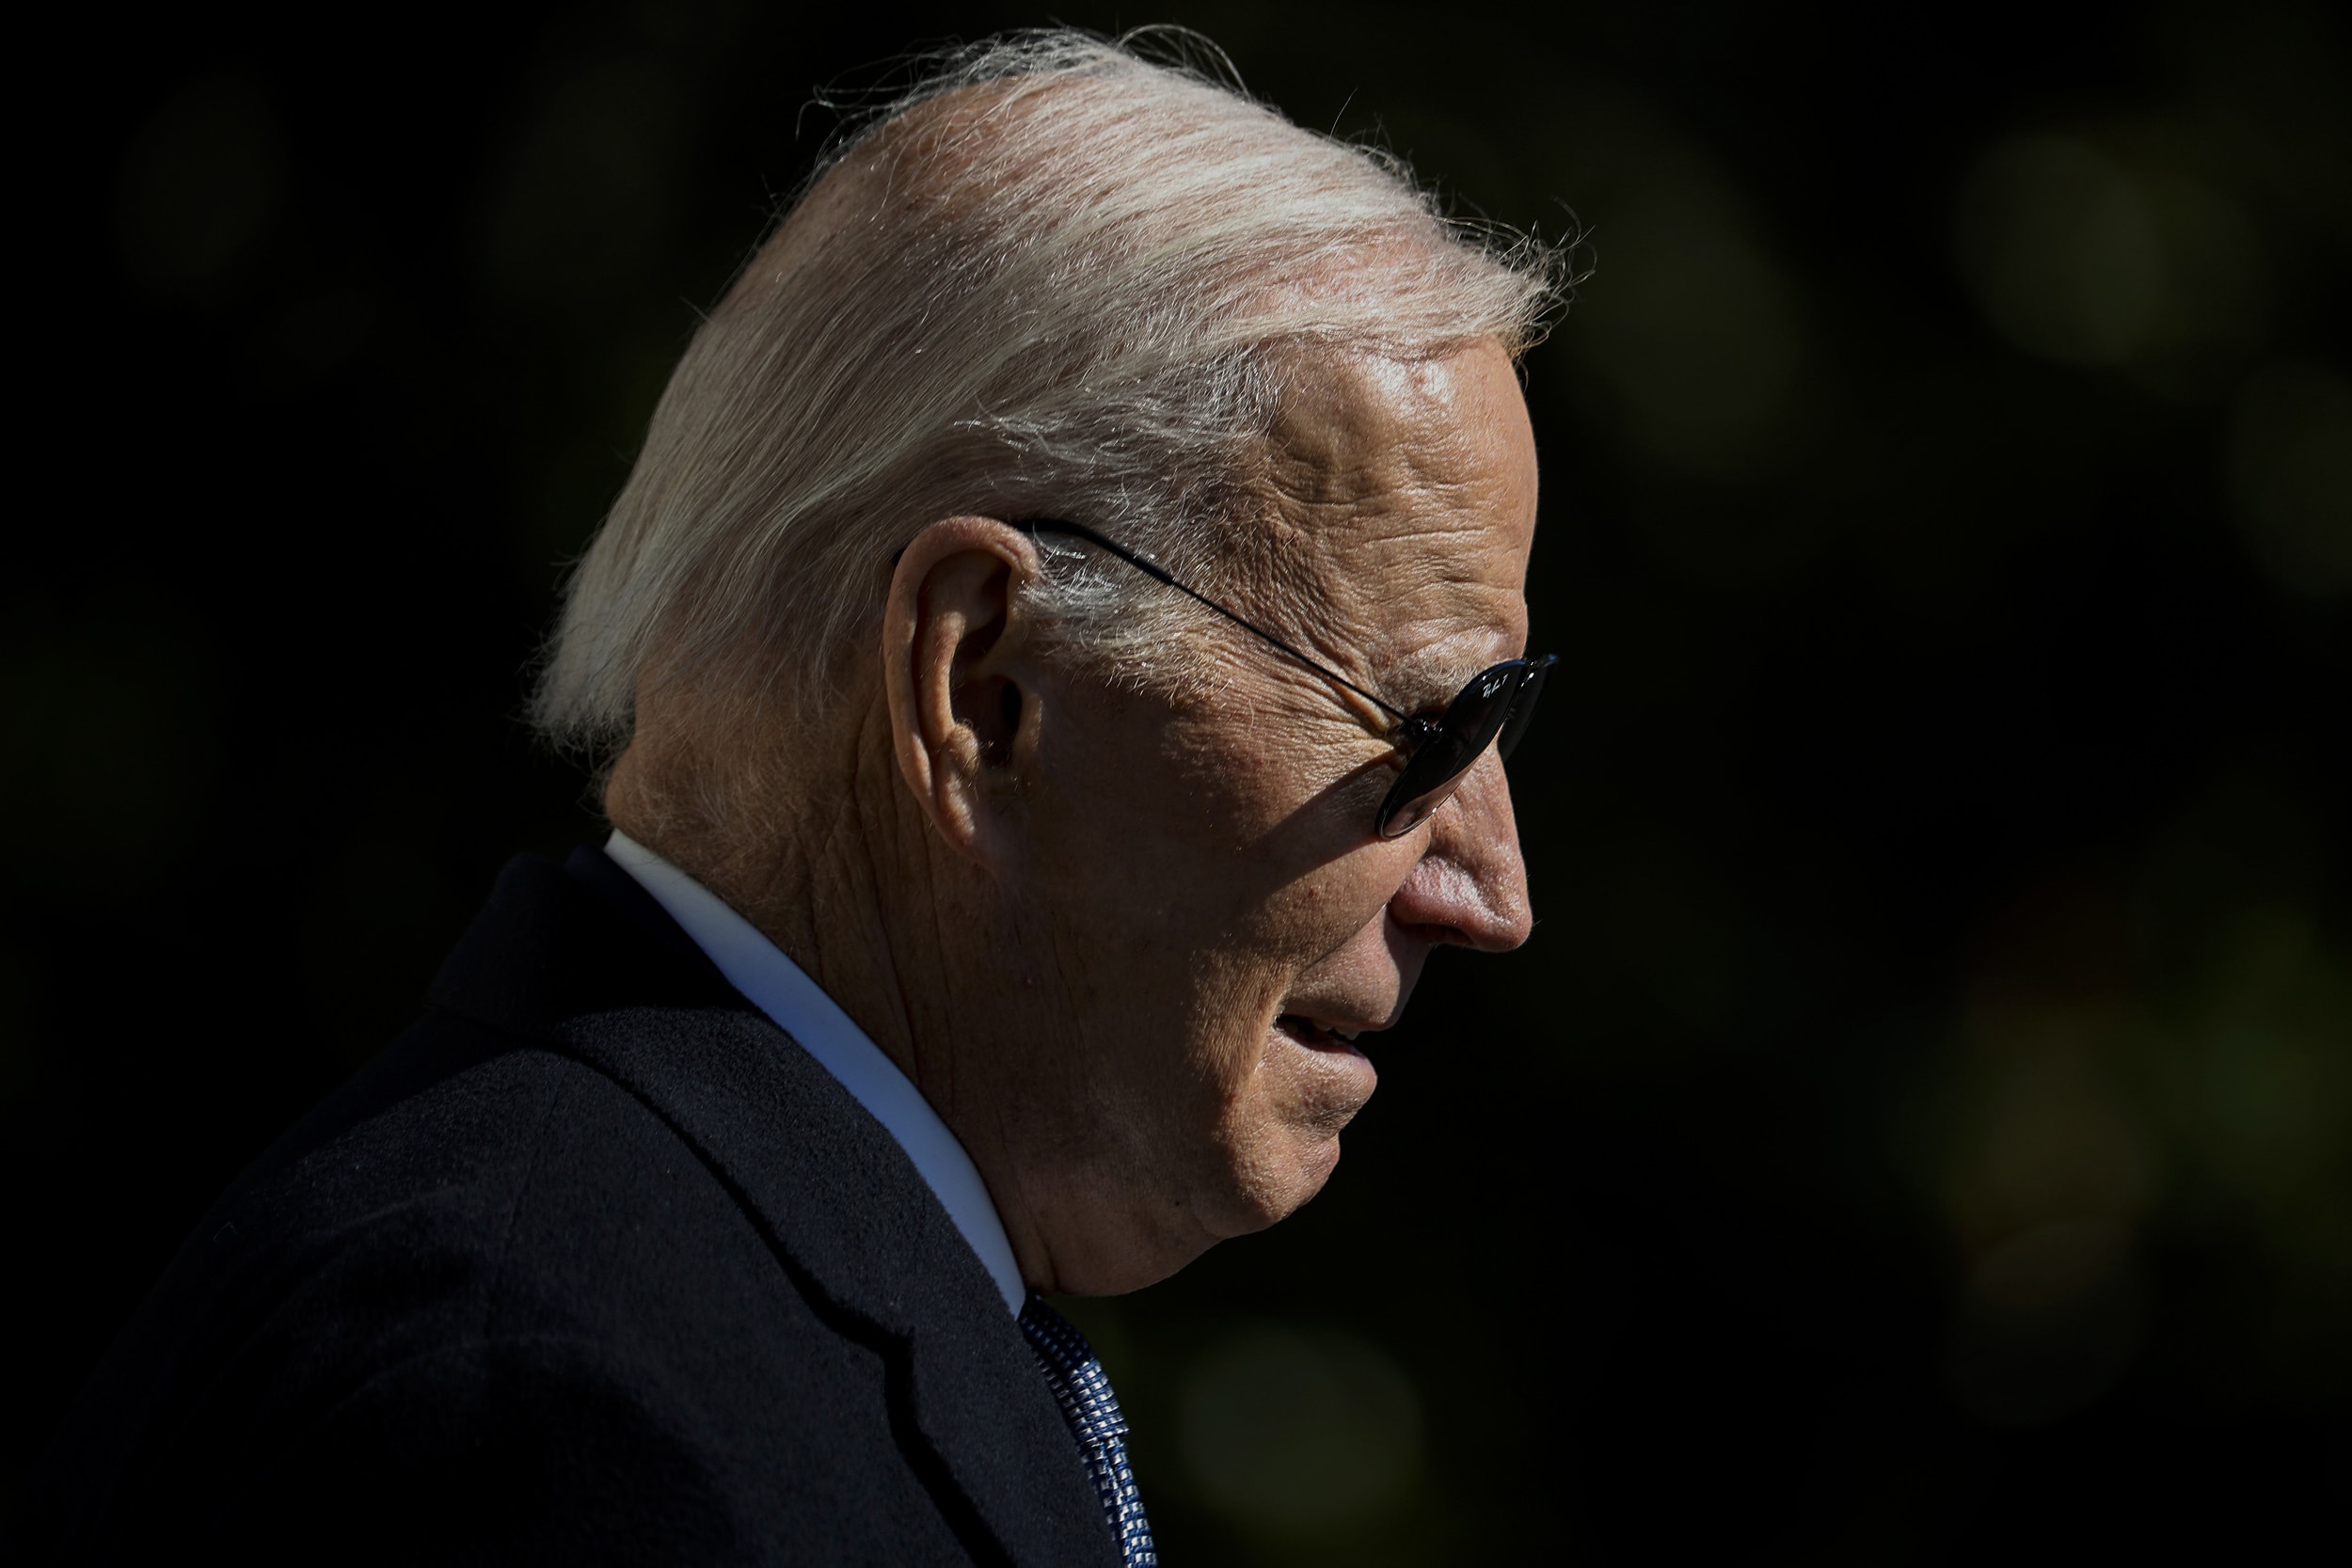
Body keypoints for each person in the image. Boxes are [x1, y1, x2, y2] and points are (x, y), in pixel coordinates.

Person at [21, 29, 1561, 1566]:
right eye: (1427, 725)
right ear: (981, 692)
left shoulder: (675, 1307)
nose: (1492, 893)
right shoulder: (559, 1410)